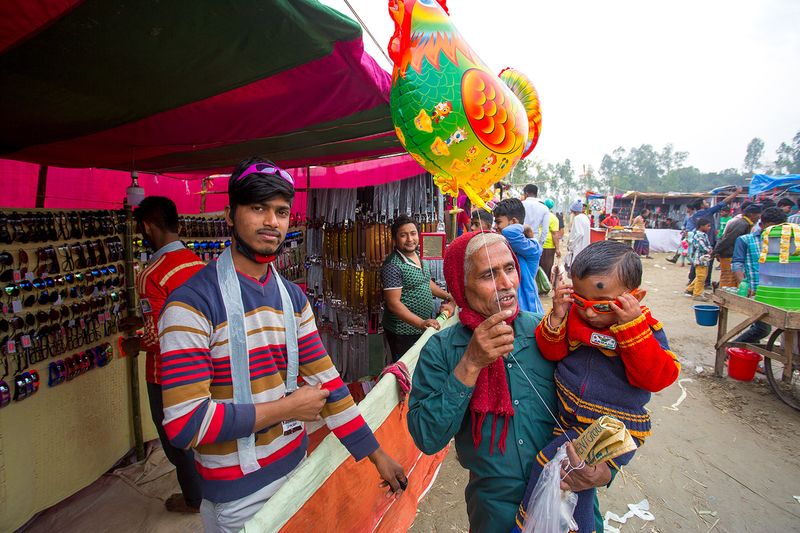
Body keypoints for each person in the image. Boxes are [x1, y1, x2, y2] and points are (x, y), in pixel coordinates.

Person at [159, 158, 406, 532]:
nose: (272, 222)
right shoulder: (191, 303)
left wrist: (375, 454)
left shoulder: (292, 298)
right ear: (230, 215)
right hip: (239, 496)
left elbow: (328, 382)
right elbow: (185, 424)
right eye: (258, 208)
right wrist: (289, 407)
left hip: (296, 470)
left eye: (281, 211)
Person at [407, 231, 612, 533]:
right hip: (496, 512)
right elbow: (427, 438)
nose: (506, 284)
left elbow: (607, 403)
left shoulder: (548, 333)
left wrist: (607, 470)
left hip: (569, 499)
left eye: (509, 268)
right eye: (488, 274)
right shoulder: (441, 350)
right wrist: (471, 363)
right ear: (461, 286)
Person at [513, 240, 679, 533]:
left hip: (613, 425)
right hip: (570, 418)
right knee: (576, 485)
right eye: (581, 301)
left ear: (635, 297)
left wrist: (631, 327)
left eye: (602, 305)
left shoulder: (645, 328)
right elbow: (552, 352)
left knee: (559, 471)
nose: (589, 314)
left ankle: (528, 527)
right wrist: (559, 314)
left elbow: (657, 378)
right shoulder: (574, 317)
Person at [133, 196, 206, 513]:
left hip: (167, 374)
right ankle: (207, 489)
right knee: (202, 432)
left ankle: (194, 499)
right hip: (203, 365)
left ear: (147, 227)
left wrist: (135, 339)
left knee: (177, 441)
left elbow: (156, 337)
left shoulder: (152, 275)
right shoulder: (199, 264)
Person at [382, 214, 453, 361]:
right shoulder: (393, 265)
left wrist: (447, 296)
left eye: (413, 234)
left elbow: (425, 281)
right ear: (395, 239)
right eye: (403, 235)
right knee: (405, 369)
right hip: (402, 332)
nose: (410, 239)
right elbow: (393, 304)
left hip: (421, 327)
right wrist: (420, 323)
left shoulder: (419, 255)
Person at [732, 207, 788, 343]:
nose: (774, 232)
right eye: (771, 228)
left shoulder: (786, 242)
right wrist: (743, 283)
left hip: (779, 291)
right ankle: (732, 348)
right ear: (762, 225)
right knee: (762, 329)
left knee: (785, 327)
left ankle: (747, 356)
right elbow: (737, 263)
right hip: (756, 292)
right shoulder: (746, 240)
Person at [684, 187, 742, 290]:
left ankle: (692, 280)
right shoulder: (708, 212)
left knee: (696, 262)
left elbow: (688, 231)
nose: (707, 203)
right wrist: (736, 193)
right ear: (702, 205)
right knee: (708, 263)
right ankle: (705, 283)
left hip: (697, 243)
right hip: (708, 243)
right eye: (706, 202)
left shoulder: (693, 217)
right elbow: (724, 202)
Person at [493, 198, 544, 313]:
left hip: (528, 311)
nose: (495, 226)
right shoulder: (505, 245)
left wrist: (525, 227)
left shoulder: (532, 247)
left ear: (514, 222)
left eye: (498, 222)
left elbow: (510, 232)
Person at [713, 204, 761, 288]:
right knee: (728, 279)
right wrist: (716, 252)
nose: (758, 218)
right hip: (728, 254)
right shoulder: (742, 224)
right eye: (758, 215)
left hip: (730, 254)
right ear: (752, 215)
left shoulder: (744, 223)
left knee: (732, 279)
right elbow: (728, 240)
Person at [688, 218, 713, 301]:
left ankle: (690, 289)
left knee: (700, 276)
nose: (709, 228)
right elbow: (702, 246)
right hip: (700, 259)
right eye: (708, 226)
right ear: (701, 226)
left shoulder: (703, 235)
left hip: (704, 259)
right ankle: (697, 294)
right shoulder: (699, 235)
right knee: (701, 277)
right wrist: (709, 251)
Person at [565, 200, 590, 270]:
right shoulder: (585, 218)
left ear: (574, 211)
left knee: (575, 267)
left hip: (578, 247)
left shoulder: (577, 218)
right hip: (584, 247)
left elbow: (579, 233)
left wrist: (571, 245)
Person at [539, 198, 560, 280]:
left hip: (537, 243)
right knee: (547, 267)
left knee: (538, 265)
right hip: (548, 246)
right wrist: (557, 249)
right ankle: (544, 285)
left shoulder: (539, 215)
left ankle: (537, 284)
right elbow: (555, 234)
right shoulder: (554, 218)